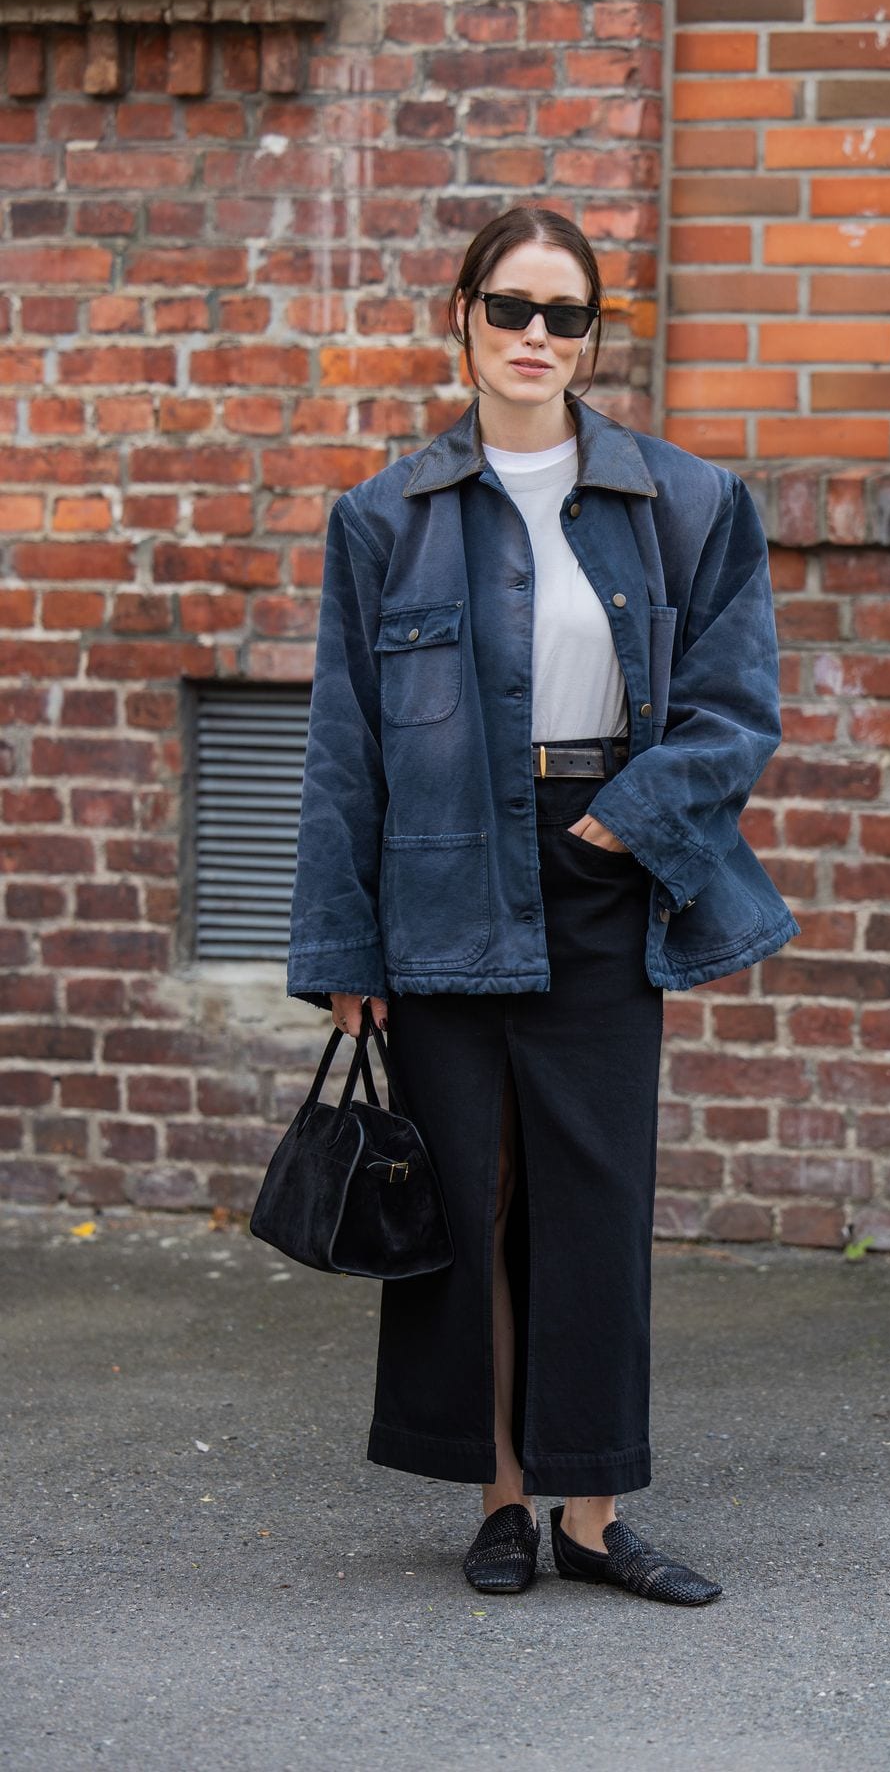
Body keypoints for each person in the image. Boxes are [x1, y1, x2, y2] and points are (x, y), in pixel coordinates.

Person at [287, 204, 799, 1605]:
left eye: (563, 316)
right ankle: (503, 1502)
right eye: (508, 308)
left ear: (591, 337)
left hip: (600, 869)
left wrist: (623, 818)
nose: (533, 338)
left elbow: (734, 708)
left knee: (592, 1194)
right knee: (472, 1192)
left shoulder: (684, 503)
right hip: (441, 875)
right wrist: (344, 947)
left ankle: (593, 1511)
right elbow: (348, 746)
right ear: (459, 315)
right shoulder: (382, 516)